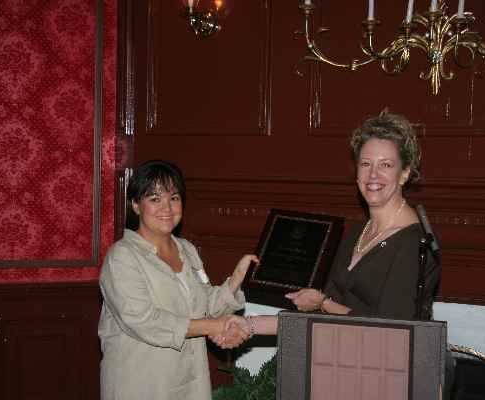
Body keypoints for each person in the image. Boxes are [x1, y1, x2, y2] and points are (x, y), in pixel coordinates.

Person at [220, 111, 439, 338]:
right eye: (365, 163)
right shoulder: (357, 232)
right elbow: (322, 319)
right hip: (337, 359)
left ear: (404, 173)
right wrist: (249, 326)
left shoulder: (414, 242)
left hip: (381, 370)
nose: (373, 174)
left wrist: (324, 303)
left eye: (385, 165)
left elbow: (392, 330)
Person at [98, 160, 255, 400]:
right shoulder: (121, 257)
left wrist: (234, 281)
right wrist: (215, 326)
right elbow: (144, 321)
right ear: (135, 205)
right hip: (141, 382)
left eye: (174, 198)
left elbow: (205, 306)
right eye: (155, 199)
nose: (167, 208)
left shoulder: (187, 250)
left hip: (190, 380)